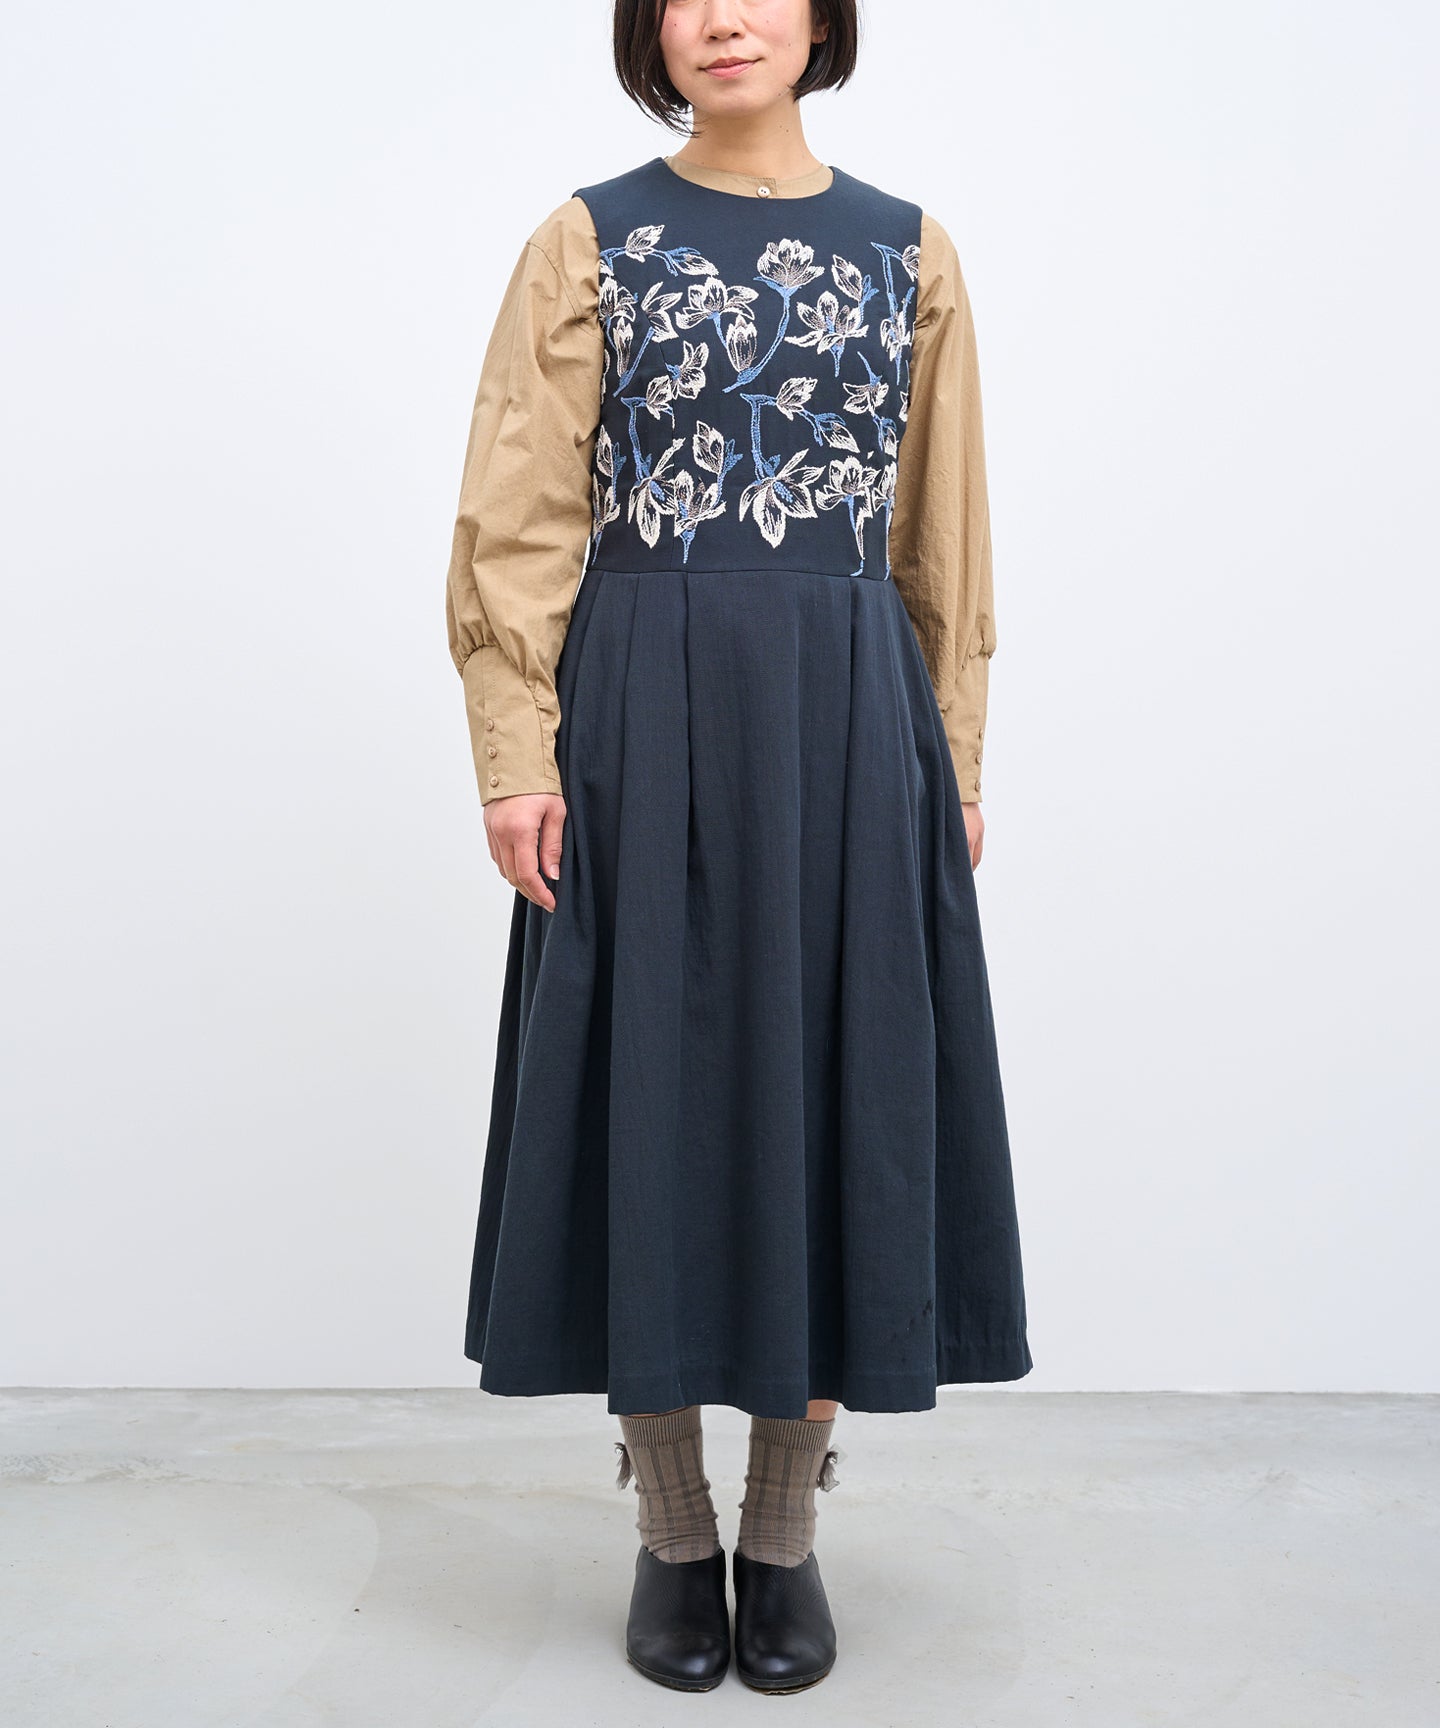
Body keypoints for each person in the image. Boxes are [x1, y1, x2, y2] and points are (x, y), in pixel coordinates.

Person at [443, 0, 1032, 1695]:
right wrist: (515, 755)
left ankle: (780, 1534)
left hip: (848, 721)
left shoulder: (910, 251)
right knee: (650, 1098)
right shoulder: (588, 240)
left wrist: (951, 758)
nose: (723, 17)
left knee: (834, 1101)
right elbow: (521, 516)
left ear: (822, 19)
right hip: (639, 708)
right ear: (648, 28)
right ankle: (670, 1526)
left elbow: (942, 535)